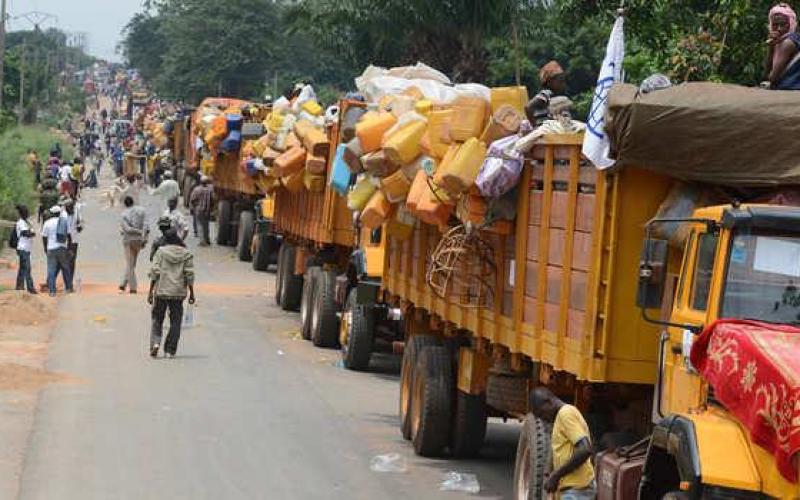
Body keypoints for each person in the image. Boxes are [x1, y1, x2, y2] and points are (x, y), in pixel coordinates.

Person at [528, 387, 596, 499]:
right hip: (571, 489)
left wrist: (556, 476)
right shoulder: (560, 416)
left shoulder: (566, 413)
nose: (544, 419)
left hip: (577, 489)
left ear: (548, 402)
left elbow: (585, 449)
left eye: (542, 414)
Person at [148, 229, 195, 358]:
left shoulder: (160, 252)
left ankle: (155, 343)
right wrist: (192, 293)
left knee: (157, 319)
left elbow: (155, 272)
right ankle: (170, 350)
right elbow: (189, 275)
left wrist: (150, 291)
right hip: (178, 293)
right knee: (175, 321)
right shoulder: (186, 254)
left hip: (161, 291)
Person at [119, 195, 149, 294]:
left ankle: (133, 287)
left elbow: (127, 229)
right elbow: (146, 226)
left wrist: (138, 231)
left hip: (128, 240)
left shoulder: (124, 214)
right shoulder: (142, 211)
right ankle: (123, 283)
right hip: (139, 241)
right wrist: (144, 237)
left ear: (125, 204)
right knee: (132, 263)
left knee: (130, 264)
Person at [766, 3, 800, 89]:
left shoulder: (788, 43)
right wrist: (771, 47)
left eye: (783, 24)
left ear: (791, 24)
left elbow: (772, 77)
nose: (779, 29)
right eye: (775, 25)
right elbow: (767, 74)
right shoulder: (778, 42)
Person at [41, 205, 73, 296]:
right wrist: (69, 248)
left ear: (52, 213)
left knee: (51, 270)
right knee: (65, 268)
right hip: (62, 247)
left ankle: (52, 291)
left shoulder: (47, 223)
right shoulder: (64, 222)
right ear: (59, 213)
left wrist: (45, 248)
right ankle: (68, 288)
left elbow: (44, 237)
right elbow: (69, 236)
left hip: (51, 248)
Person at [526, 61, 567, 126]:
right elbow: (528, 107)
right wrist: (534, 125)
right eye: (560, 81)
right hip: (545, 127)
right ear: (549, 82)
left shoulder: (554, 96)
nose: (562, 84)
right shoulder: (546, 94)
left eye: (563, 81)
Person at [14, 205, 37, 294]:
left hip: (26, 248)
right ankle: (30, 288)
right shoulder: (21, 222)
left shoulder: (26, 222)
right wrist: (31, 233)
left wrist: (31, 233)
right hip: (22, 248)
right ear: (22, 213)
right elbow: (26, 233)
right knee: (27, 268)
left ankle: (19, 286)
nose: (27, 213)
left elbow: (31, 233)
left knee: (23, 268)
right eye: (25, 212)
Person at [62, 199, 84, 278]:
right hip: (64, 241)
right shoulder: (63, 215)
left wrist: (80, 227)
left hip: (74, 240)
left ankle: (70, 279)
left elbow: (81, 222)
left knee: (72, 260)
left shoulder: (77, 212)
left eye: (71, 208)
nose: (69, 210)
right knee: (64, 261)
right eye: (67, 208)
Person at [190, 175, 214, 246]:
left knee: (199, 225)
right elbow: (213, 200)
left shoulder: (196, 189)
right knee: (206, 225)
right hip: (207, 210)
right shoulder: (210, 190)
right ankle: (207, 240)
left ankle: (202, 241)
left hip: (199, 210)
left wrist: (193, 207)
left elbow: (192, 199)